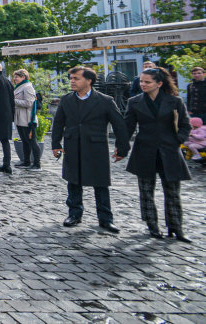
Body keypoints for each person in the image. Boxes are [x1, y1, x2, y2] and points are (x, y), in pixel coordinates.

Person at [52, 66, 130, 233]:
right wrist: (55, 144)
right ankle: (74, 214)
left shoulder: (105, 100)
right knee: (73, 182)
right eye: (71, 78)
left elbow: (119, 125)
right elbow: (58, 123)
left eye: (76, 78)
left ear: (89, 80)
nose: (72, 81)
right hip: (73, 145)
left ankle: (105, 219)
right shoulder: (66, 99)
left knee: (100, 184)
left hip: (96, 147)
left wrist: (122, 148)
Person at [124, 67, 192, 241]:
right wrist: (121, 146)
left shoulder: (174, 101)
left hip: (169, 151)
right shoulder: (135, 101)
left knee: (173, 192)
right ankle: (152, 225)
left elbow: (185, 125)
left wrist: (178, 140)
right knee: (146, 191)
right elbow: (128, 127)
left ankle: (176, 227)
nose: (143, 84)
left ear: (159, 83)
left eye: (147, 82)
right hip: (144, 150)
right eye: (141, 81)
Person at [12, 69, 40, 169]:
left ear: (23, 77)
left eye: (16, 77)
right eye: (14, 76)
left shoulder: (28, 87)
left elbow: (29, 103)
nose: (14, 79)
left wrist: (13, 101)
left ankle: (37, 164)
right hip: (20, 119)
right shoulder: (19, 87)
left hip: (28, 120)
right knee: (24, 141)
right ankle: (26, 161)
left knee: (32, 141)